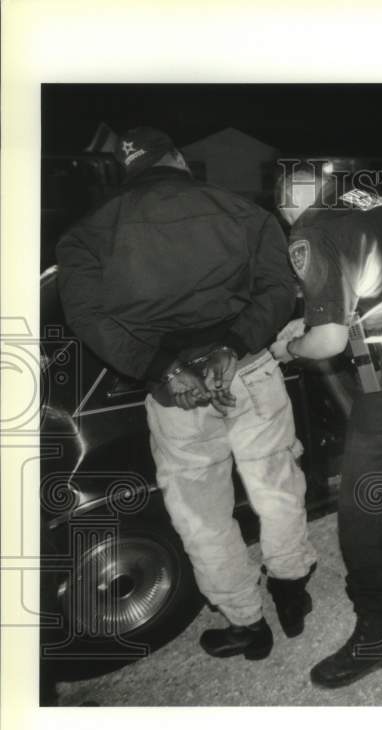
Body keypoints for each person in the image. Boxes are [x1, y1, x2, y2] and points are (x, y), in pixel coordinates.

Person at [56, 126, 318, 661]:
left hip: (177, 396)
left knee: (202, 515)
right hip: (248, 370)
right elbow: (278, 289)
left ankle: (248, 624)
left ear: (125, 171)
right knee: (276, 486)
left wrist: (159, 368)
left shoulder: (85, 236)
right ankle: (292, 591)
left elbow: (88, 319)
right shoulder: (245, 213)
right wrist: (233, 345)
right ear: (177, 160)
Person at [271, 167, 382, 689]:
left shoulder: (312, 228)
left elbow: (327, 341)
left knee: (363, 509)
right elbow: (381, 290)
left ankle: (376, 633)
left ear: (287, 204)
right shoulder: (377, 203)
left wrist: (292, 347)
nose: (289, 224)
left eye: (285, 216)